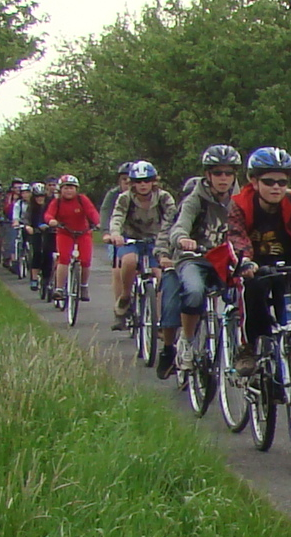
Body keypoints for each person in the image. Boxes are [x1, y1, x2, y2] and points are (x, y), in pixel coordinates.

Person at [225, 146, 291, 438]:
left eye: (282, 182)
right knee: (252, 297)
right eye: (269, 181)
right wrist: (245, 260)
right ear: (254, 181)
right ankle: (250, 347)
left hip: (288, 266)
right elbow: (236, 234)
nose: (276, 188)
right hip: (255, 266)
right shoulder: (240, 203)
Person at [159, 146, 244, 377]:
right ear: (208, 175)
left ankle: (244, 347)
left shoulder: (239, 200)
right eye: (218, 173)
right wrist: (183, 239)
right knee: (195, 291)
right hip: (194, 258)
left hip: (226, 258)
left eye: (228, 173)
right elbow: (180, 225)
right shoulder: (195, 198)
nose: (223, 179)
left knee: (245, 292)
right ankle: (186, 342)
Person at [105, 161, 171, 328]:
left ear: (154, 181)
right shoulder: (125, 198)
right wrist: (115, 234)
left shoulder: (164, 197)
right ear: (132, 183)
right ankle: (126, 296)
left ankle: (161, 319)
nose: (143, 185)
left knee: (160, 275)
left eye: (147, 181)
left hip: (157, 241)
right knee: (129, 261)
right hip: (131, 239)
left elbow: (172, 219)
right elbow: (118, 216)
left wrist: (169, 239)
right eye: (138, 181)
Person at [45, 173, 100, 301]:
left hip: (83, 232)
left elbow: (92, 211)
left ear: (76, 189)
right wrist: (51, 220)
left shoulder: (82, 199)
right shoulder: (57, 202)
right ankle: (59, 288)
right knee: (63, 258)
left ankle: (83, 286)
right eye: (65, 188)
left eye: (71, 188)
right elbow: (48, 214)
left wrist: (98, 222)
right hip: (65, 232)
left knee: (86, 260)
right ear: (61, 189)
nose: (69, 190)